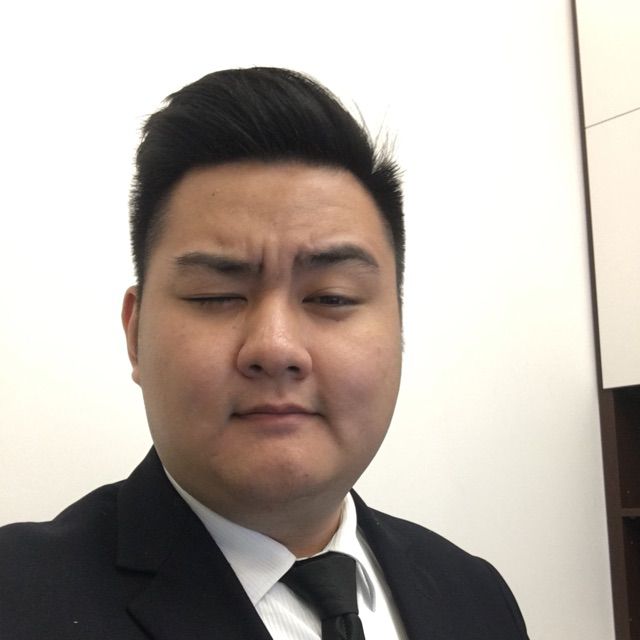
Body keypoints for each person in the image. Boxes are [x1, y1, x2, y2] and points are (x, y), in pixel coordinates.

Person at [0, 67, 528, 639]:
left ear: (398, 325)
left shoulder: (474, 594)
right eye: (215, 296)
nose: (275, 348)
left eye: (331, 297)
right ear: (135, 334)